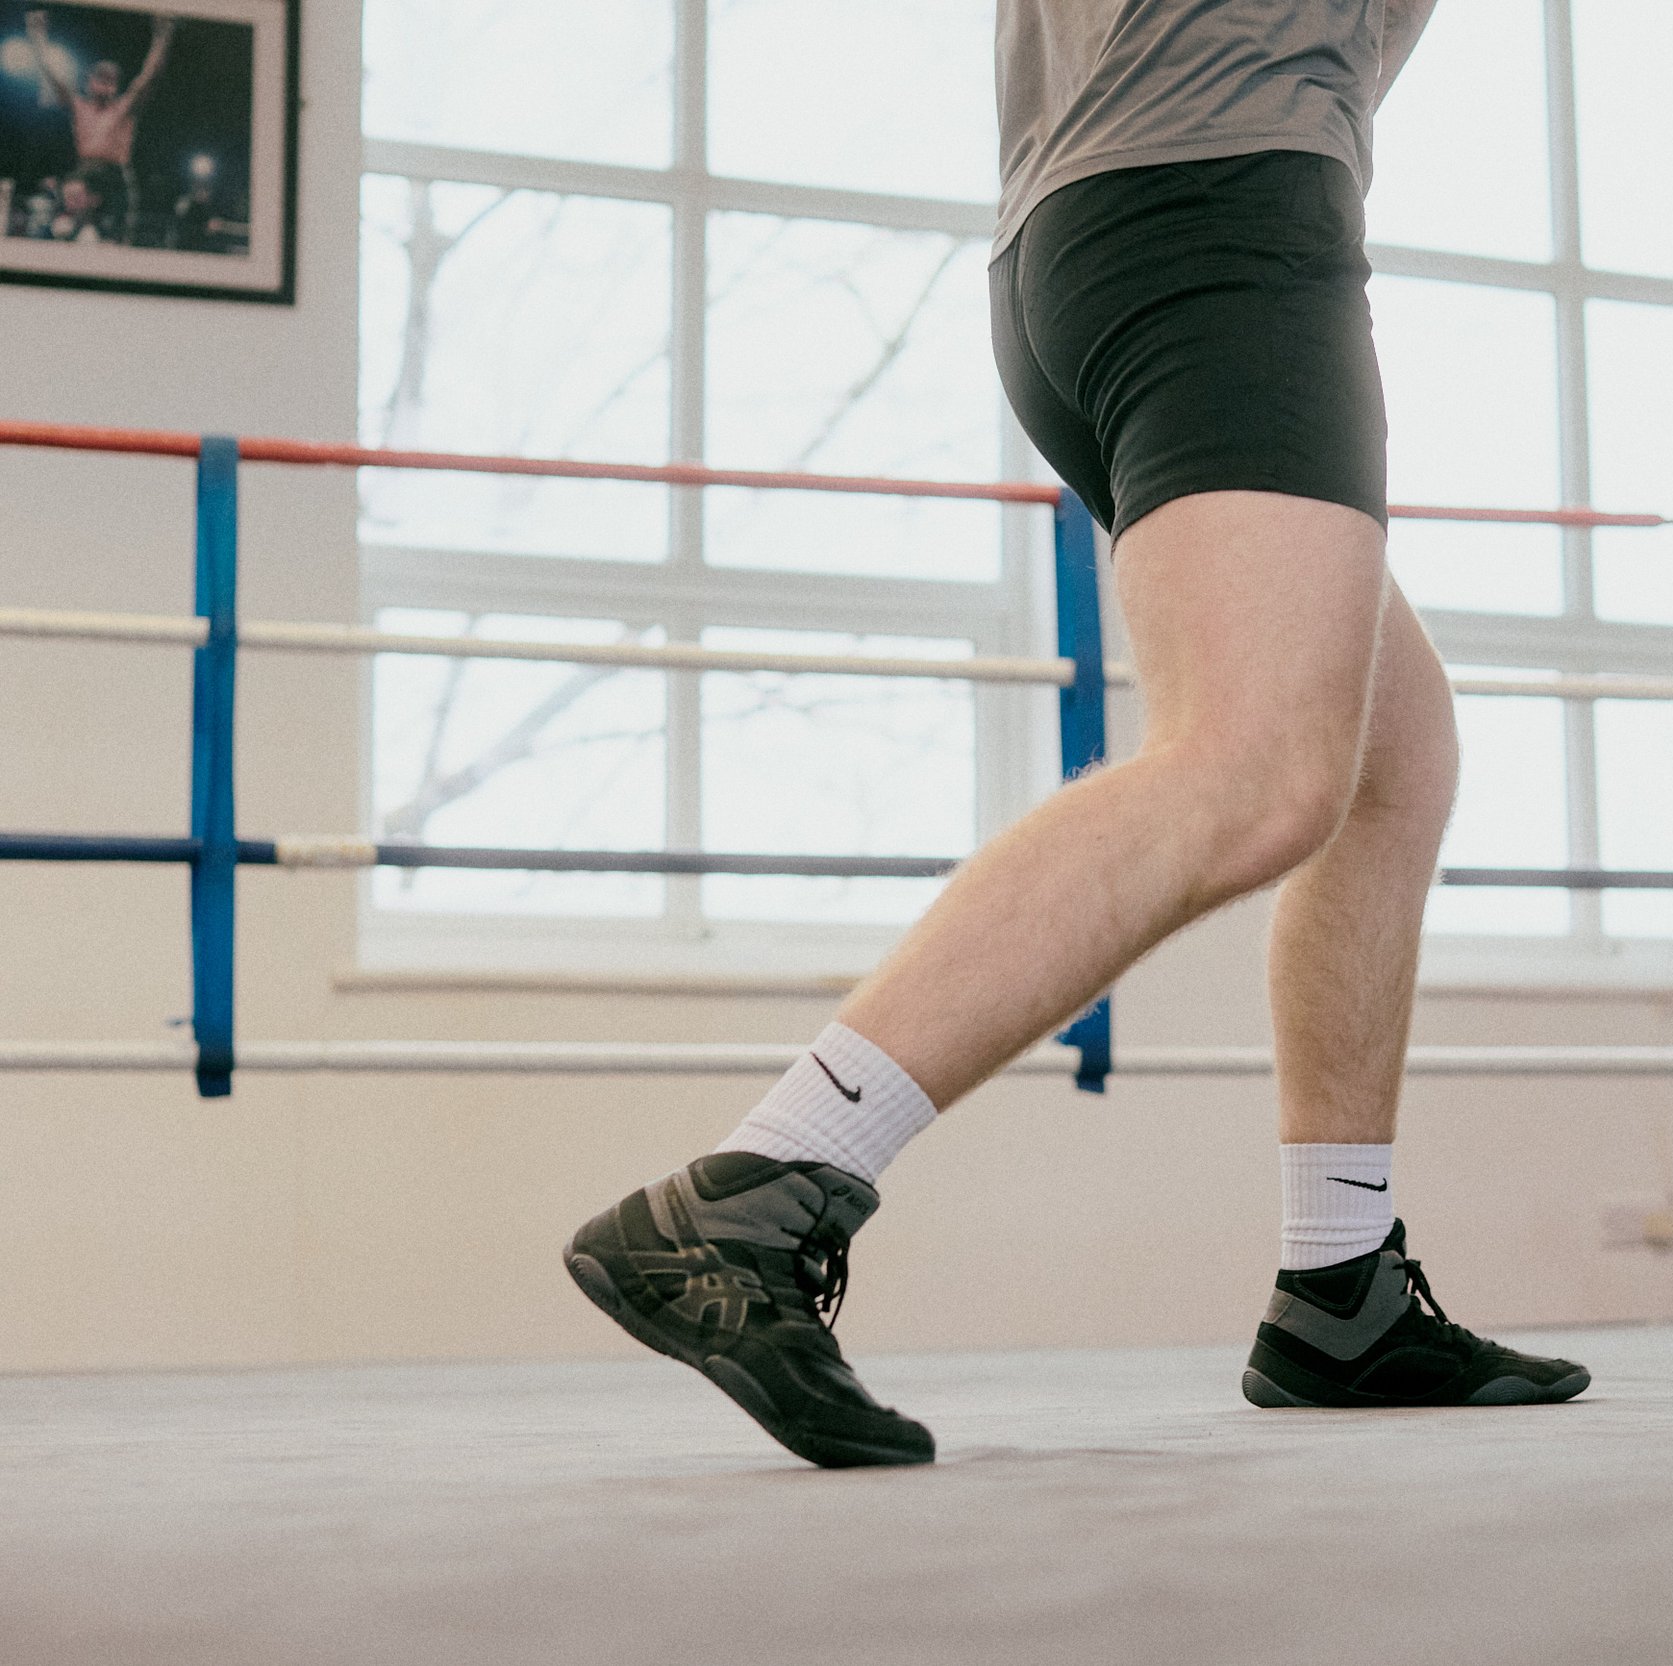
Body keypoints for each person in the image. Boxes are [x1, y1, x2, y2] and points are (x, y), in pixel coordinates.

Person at [564, 0, 1590, 1467]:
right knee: (1257, 768)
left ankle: (1341, 1287)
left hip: (1085, 227)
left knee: (1386, 757)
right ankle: (771, 1178)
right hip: (1218, 197)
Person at [24, 9, 175, 245]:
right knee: (65, 232)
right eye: (101, 78)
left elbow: (150, 76)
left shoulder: (125, 107)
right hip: (83, 173)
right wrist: (36, 35)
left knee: (117, 240)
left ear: (116, 86)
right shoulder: (79, 105)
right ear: (90, 81)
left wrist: (162, 36)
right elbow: (52, 75)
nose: (106, 84)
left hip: (115, 176)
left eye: (111, 80)